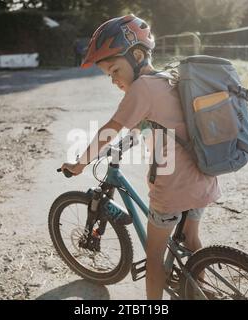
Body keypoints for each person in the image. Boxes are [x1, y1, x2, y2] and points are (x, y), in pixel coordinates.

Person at [60, 14, 221, 300]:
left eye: (115, 70)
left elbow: (110, 130)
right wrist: (126, 143)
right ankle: (202, 293)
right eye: (109, 75)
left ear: (136, 55)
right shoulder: (169, 79)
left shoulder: (141, 88)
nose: (114, 80)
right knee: (191, 239)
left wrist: (80, 163)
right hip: (203, 178)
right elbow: (149, 126)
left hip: (172, 189)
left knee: (155, 254)